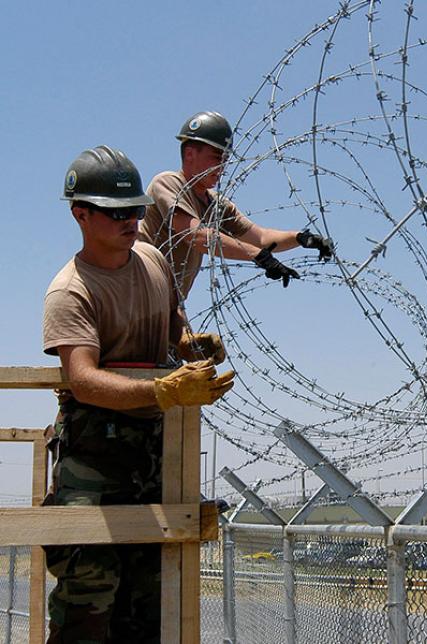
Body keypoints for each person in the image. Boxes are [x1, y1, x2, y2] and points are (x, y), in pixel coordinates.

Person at [42, 145, 235, 643]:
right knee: (89, 597)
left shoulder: (150, 258)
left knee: (148, 607)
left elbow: (172, 316)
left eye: (135, 209)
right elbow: (82, 378)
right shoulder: (72, 290)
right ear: (80, 214)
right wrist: (166, 390)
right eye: (116, 212)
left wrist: (188, 342)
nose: (131, 220)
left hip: (155, 455)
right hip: (94, 463)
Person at [138, 110, 334, 299]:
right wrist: (258, 256)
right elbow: (196, 235)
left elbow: (262, 238)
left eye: (225, 160)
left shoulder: (216, 205)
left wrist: (301, 238)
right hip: (138, 293)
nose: (222, 167)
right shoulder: (168, 183)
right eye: (216, 158)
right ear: (190, 154)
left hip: (168, 302)